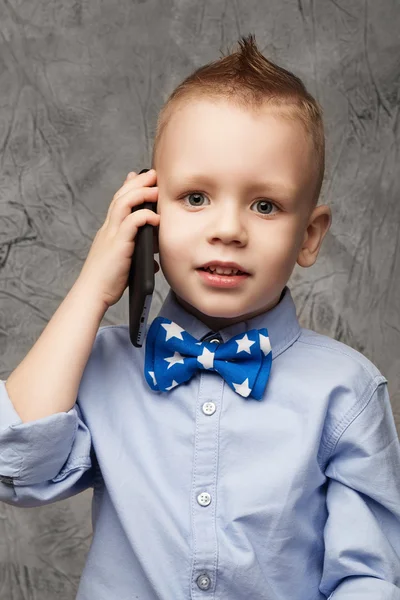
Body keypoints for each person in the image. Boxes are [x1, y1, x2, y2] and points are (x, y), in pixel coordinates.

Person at [0, 33, 399, 600]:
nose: (228, 229)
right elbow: (14, 464)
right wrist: (92, 289)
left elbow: (368, 579)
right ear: (147, 212)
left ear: (308, 236)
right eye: (195, 198)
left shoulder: (347, 390)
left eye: (265, 205)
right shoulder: (101, 366)